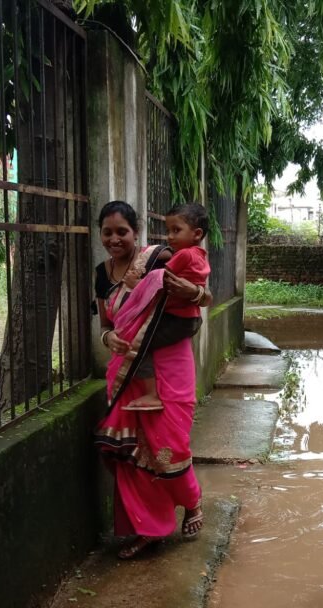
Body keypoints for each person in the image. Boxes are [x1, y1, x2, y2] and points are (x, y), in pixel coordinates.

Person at [93, 200, 212, 559]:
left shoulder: (159, 257)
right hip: (129, 369)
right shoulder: (102, 274)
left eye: (122, 232)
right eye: (107, 232)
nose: (115, 239)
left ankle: (192, 503)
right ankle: (150, 528)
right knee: (131, 452)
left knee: (169, 444)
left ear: (136, 233)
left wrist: (190, 292)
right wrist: (107, 339)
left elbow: (204, 295)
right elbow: (105, 324)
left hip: (169, 363)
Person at [122, 202, 210, 412]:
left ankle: (152, 393)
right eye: (168, 231)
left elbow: (157, 280)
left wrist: (136, 284)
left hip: (175, 319)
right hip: (190, 318)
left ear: (197, 234)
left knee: (138, 347)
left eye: (176, 230)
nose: (169, 237)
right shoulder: (199, 256)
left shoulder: (184, 255)